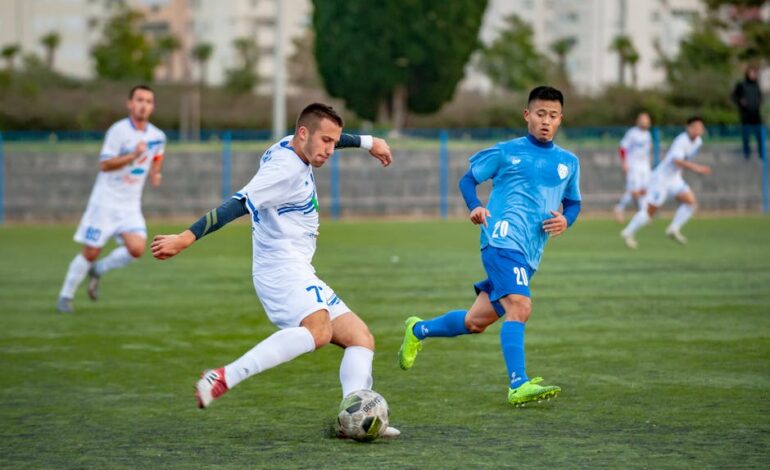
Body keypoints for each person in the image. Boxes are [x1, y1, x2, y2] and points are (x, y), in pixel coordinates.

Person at [150, 103, 400, 437]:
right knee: (319, 332)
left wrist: (368, 142)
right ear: (303, 134)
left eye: (333, 142)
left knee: (360, 338)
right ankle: (224, 377)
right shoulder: (284, 170)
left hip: (298, 266)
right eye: (325, 142)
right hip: (280, 268)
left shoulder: (296, 144)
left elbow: (329, 136)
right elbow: (237, 204)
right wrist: (185, 237)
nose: (330, 150)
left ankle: (351, 417)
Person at [397, 86, 581, 407]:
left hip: (529, 252)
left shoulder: (568, 162)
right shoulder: (506, 152)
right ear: (527, 115)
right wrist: (475, 206)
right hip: (500, 239)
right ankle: (518, 384)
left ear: (560, 120)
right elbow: (468, 179)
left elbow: (574, 203)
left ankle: (418, 330)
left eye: (553, 116)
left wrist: (567, 220)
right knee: (520, 306)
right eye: (540, 114)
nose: (546, 121)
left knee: (475, 322)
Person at [57, 85, 166, 313]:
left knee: (137, 249)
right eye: (139, 100)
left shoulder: (157, 136)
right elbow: (105, 164)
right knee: (91, 251)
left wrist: (156, 173)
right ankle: (65, 297)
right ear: (130, 104)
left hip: (130, 205)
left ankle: (98, 270)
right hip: (105, 202)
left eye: (148, 101)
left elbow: (157, 156)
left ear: (153, 107)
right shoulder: (118, 131)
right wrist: (133, 155)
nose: (143, 105)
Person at [621, 116, 710, 249]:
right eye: (695, 127)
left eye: (700, 128)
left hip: (674, 179)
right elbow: (677, 161)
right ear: (688, 128)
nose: (698, 130)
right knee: (649, 212)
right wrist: (696, 168)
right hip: (661, 180)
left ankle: (673, 228)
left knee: (691, 202)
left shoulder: (698, 142)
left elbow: (684, 161)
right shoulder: (681, 140)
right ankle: (628, 231)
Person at [613, 112, 653, 222]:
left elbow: (648, 150)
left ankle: (643, 213)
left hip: (645, 166)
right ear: (638, 121)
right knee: (634, 190)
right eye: (642, 119)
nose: (645, 122)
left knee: (645, 190)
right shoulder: (632, 133)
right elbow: (622, 147)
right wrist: (624, 162)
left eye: (646, 120)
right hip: (633, 165)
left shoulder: (648, 134)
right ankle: (619, 208)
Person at [731, 65, 764, 161]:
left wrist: (759, 101)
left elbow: (760, 96)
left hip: (756, 115)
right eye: (752, 73)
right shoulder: (741, 84)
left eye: (755, 73)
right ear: (747, 74)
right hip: (745, 115)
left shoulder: (756, 85)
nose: (754, 75)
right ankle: (747, 154)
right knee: (746, 136)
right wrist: (740, 101)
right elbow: (733, 96)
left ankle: (761, 154)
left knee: (760, 135)